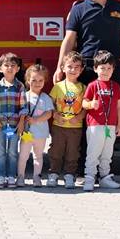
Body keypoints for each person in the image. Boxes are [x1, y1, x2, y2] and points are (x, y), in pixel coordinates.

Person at [81, 50, 120, 191]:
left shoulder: (115, 86)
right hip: (95, 125)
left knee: (107, 153)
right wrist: (90, 105)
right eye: (102, 68)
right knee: (93, 152)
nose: (105, 71)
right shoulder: (93, 85)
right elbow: (84, 103)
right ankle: (89, 178)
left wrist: (119, 125)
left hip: (110, 126)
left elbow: (119, 107)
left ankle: (105, 177)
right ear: (95, 69)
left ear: (113, 70)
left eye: (109, 68)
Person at [47, 52, 86, 189]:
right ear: (63, 68)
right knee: (56, 150)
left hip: (75, 127)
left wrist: (79, 117)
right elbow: (49, 102)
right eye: (70, 66)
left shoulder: (83, 88)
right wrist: (54, 114)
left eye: (77, 67)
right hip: (59, 126)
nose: (73, 70)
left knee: (73, 151)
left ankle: (70, 174)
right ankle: (54, 173)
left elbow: (85, 107)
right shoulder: (58, 87)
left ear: (81, 70)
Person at [0, 52, 28, 188]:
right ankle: (0, 176)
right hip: (0, 125)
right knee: (0, 152)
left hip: (15, 125)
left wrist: (22, 122)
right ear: (0, 68)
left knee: (12, 152)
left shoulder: (20, 87)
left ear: (18, 68)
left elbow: (24, 106)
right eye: (6, 65)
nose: (10, 68)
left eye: (13, 65)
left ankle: (11, 176)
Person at [17, 64, 54, 188]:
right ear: (28, 80)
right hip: (27, 134)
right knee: (23, 156)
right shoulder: (24, 96)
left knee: (38, 156)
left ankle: (36, 177)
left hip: (41, 134)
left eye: (40, 80)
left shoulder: (46, 98)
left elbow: (49, 113)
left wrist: (36, 119)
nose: (37, 83)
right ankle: (20, 176)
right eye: (34, 80)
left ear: (45, 81)